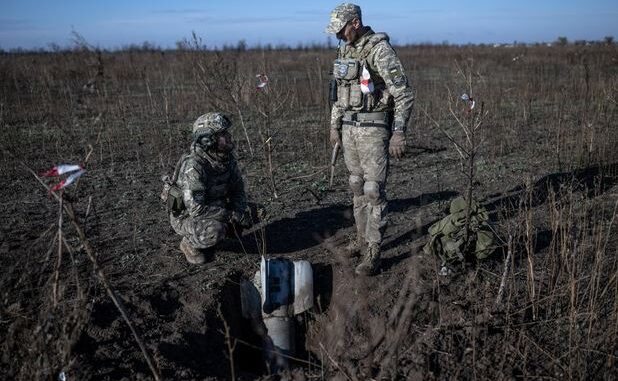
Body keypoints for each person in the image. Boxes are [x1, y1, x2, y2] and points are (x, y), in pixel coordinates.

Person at [325, 3, 415, 275]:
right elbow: (339, 94)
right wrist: (334, 126)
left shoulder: (380, 50)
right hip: (350, 128)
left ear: (355, 23)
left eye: (341, 30)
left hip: (374, 129)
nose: (338, 36)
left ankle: (374, 251)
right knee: (355, 186)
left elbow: (403, 93)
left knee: (373, 191)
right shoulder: (344, 49)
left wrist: (398, 131)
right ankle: (361, 239)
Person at [162, 112, 251, 264]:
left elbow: (238, 191)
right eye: (223, 134)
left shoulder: (226, 159)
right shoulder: (194, 166)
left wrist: (240, 211)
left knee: (254, 212)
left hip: (215, 206)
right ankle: (188, 244)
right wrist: (232, 216)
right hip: (186, 216)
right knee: (214, 231)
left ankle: (221, 234)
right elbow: (196, 209)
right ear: (208, 139)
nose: (229, 136)